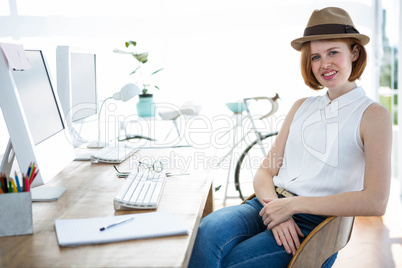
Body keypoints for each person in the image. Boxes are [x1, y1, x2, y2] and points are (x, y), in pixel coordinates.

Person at [189, 6, 392, 268]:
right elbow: (265, 172)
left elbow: (376, 202)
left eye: (333, 52)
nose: (324, 64)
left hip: (312, 223)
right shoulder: (301, 106)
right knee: (205, 232)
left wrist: (294, 206)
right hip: (266, 205)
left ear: (354, 52)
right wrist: (279, 208)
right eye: (316, 56)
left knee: (229, 262)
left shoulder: (373, 115)